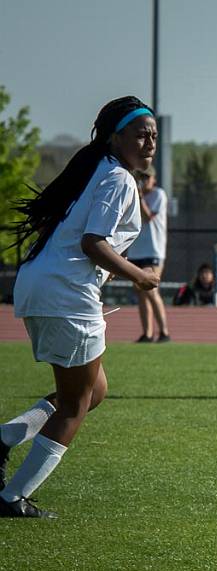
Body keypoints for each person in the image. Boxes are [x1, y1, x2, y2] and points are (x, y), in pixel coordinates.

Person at [0, 96, 158, 518]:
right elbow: (94, 244)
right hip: (66, 293)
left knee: (94, 391)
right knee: (75, 405)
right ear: (115, 136)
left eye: (154, 136)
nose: (149, 142)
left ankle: (2, 440)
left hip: (40, 285)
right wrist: (139, 276)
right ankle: (11, 498)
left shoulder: (95, 170)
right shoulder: (119, 179)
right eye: (141, 133)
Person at [125, 167, 170, 342]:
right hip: (136, 250)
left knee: (151, 290)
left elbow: (148, 216)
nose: (144, 180)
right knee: (140, 292)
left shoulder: (159, 194)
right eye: (141, 177)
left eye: (147, 177)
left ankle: (164, 332)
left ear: (154, 179)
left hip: (153, 249)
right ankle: (147, 333)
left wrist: (140, 196)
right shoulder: (133, 196)